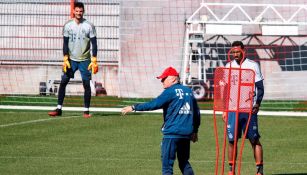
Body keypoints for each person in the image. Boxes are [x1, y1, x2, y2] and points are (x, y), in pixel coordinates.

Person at [121, 67, 201, 175]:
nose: (161, 81)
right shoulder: (188, 91)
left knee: (167, 167)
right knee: (184, 163)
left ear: (173, 79)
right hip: (185, 134)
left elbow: (154, 104)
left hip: (172, 133)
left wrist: (134, 107)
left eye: (164, 79)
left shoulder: (170, 91)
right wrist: (195, 130)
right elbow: (196, 112)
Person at [48, 2, 98, 118]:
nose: (79, 13)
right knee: (63, 82)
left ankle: (86, 111)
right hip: (71, 60)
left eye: (81, 11)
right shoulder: (68, 25)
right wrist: (65, 57)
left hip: (85, 60)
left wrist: (94, 59)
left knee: (86, 84)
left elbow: (94, 43)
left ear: (83, 12)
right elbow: (65, 43)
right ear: (73, 11)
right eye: (77, 11)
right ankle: (59, 109)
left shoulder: (89, 25)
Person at [223, 41, 264, 175]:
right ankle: (231, 171)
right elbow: (226, 89)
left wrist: (257, 103)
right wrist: (225, 109)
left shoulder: (252, 65)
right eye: (233, 52)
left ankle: (259, 171)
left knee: (254, 139)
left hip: (248, 109)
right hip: (233, 109)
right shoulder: (228, 66)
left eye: (237, 52)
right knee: (231, 140)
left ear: (243, 50)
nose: (235, 54)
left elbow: (260, 88)